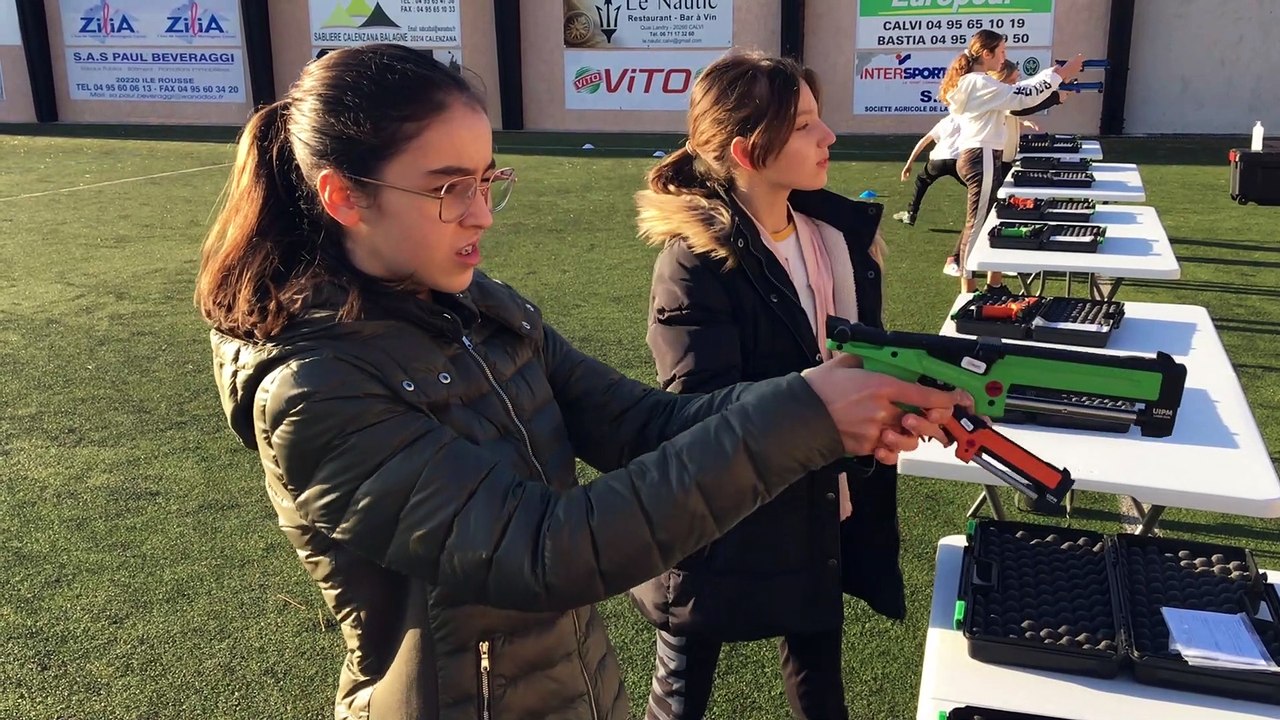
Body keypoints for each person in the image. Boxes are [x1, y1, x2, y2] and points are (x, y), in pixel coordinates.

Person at [194, 44, 969, 720]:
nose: (480, 215)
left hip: (573, 688)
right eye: (446, 188)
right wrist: (807, 416)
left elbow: (643, 424)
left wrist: (827, 392)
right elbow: (545, 551)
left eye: (486, 179)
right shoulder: (311, 388)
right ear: (342, 197)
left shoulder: (478, 307)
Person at [630, 51, 919, 720]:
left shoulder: (834, 236)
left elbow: (858, 356)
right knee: (681, 689)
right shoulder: (694, 262)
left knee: (821, 682)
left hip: (817, 499)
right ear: (747, 149)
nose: (829, 137)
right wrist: (835, 409)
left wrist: (892, 405)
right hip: (718, 516)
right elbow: (700, 410)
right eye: (805, 126)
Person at [939, 31, 1083, 293]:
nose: (1005, 57)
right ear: (987, 53)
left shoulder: (977, 82)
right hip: (981, 156)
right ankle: (967, 289)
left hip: (981, 155)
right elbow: (1020, 97)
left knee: (984, 219)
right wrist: (1059, 74)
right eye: (1002, 51)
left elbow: (1018, 97)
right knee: (976, 222)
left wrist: (1052, 76)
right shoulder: (978, 83)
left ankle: (984, 285)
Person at [893, 112, 962, 235]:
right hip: (959, 161)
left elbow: (924, 141)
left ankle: (911, 213)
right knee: (976, 186)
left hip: (937, 160)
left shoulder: (944, 122)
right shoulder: (971, 119)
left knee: (921, 181)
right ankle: (987, 211)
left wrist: (909, 164)